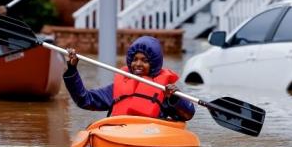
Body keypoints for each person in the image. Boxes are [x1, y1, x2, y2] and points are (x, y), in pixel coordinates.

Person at [62, 36, 195, 121]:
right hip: (119, 134)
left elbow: (187, 114)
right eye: (135, 59)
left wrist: (175, 98)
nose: (138, 64)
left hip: (151, 136)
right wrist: (72, 69)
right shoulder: (117, 88)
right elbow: (84, 99)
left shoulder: (165, 91)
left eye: (144, 60)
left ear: (153, 63)